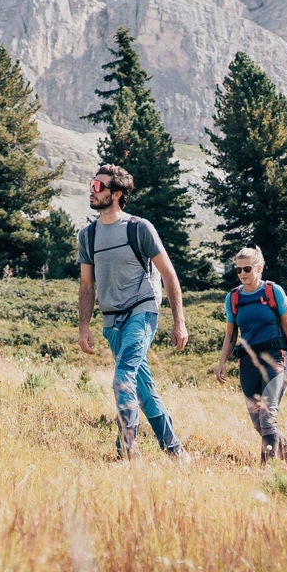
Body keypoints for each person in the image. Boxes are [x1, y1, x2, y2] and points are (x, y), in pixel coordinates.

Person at [77, 164, 190, 458]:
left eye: (98, 186)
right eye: (92, 184)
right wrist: (84, 327)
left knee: (122, 377)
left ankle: (127, 450)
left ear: (116, 194)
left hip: (142, 312)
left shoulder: (139, 228)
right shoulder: (87, 236)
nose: (92, 189)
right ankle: (176, 452)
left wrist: (180, 322)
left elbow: (169, 275)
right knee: (144, 390)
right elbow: (87, 285)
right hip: (112, 321)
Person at [215, 246, 287, 466]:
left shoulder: (273, 292)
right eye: (238, 270)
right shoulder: (233, 298)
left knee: (267, 413)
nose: (243, 273)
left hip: (276, 357)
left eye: (247, 268)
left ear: (259, 267)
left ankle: (267, 470)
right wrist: (221, 363)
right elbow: (230, 335)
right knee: (258, 421)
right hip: (248, 362)